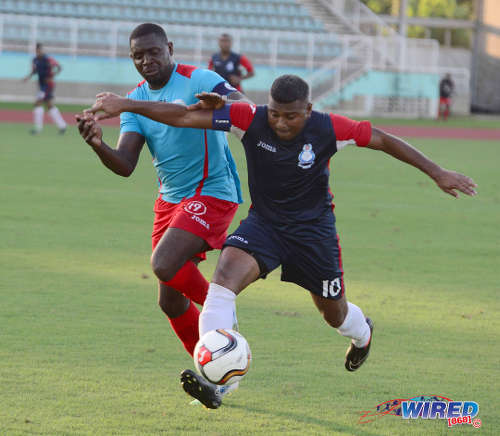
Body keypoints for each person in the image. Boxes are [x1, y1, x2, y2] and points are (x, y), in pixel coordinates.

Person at [85, 75, 477, 409]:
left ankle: (363, 333)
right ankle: (218, 380)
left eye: (291, 115)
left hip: (314, 235)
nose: (281, 122)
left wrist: (437, 171)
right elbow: (185, 115)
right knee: (221, 285)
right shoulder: (247, 117)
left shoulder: (328, 127)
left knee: (333, 314)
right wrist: (126, 105)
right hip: (264, 226)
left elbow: (382, 139)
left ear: (308, 110)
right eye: (274, 113)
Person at [76, 23, 248, 402]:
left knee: (164, 262)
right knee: (169, 301)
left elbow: (242, 105)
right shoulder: (134, 102)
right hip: (170, 199)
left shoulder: (197, 78)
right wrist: (96, 144)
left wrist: (226, 101)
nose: (146, 61)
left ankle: (226, 319)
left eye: (154, 52)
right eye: (138, 56)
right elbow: (124, 164)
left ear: (169, 48)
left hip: (212, 189)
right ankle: (218, 378)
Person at [22, 42, 67, 135]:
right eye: (37, 50)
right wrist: (28, 77)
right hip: (42, 85)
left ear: (42, 50)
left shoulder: (48, 59)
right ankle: (62, 126)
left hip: (48, 85)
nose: (38, 51)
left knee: (37, 103)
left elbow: (59, 67)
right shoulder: (34, 60)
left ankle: (38, 128)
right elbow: (34, 71)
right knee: (49, 105)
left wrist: (52, 76)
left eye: (40, 49)